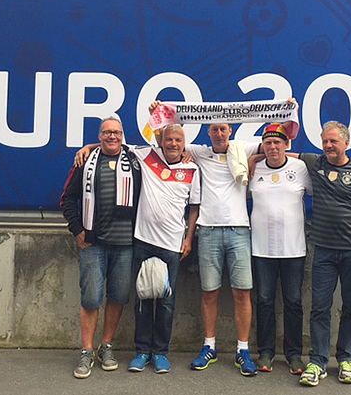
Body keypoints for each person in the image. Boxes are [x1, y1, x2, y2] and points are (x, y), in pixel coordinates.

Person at [149, 101, 261, 376]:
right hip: (207, 231)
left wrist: (287, 110)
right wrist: (157, 113)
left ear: (230, 131)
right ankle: (209, 346)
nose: (219, 134)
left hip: (239, 232)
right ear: (208, 132)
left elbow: (279, 139)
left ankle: (242, 350)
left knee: (242, 293)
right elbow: (162, 142)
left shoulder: (243, 148)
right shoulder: (197, 152)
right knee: (209, 293)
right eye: (214, 130)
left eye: (223, 129)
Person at [297, 121, 351, 387]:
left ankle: (346, 359)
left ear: (347, 143)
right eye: (325, 141)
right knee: (319, 308)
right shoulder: (314, 163)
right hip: (322, 250)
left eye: (333, 141)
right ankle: (318, 361)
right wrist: (252, 159)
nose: (328, 146)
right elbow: (277, 152)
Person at [61, 115, 141, 379]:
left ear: (122, 136)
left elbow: (164, 151)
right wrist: (77, 230)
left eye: (116, 133)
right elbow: (67, 200)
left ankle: (106, 346)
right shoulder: (86, 162)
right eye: (107, 133)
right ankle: (86, 350)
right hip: (93, 244)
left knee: (118, 297)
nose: (112, 137)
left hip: (126, 245)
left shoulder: (136, 162)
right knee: (91, 298)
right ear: (99, 136)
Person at [126, 124, 201, 374]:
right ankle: (141, 351)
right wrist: (88, 147)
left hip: (172, 244)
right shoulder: (148, 156)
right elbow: (114, 144)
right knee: (143, 297)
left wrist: (188, 238)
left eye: (178, 140)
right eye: (168, 139)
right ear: (162, 140)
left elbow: (194, 208)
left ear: (184, 143)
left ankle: (160, 352)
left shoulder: (192, 169)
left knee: (166, 301)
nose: (173, 144)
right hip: (144, 240)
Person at [248, 124, 312, 375]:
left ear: (286, 144)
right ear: (263, 146)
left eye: (278, 143)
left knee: (293, 302)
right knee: (264, 301)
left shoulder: (300, 168)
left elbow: (321, 193)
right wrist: (254, 159)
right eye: (268, 143)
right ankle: (265, 352)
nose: (273, 147)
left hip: (294, 249)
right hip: (261, 249)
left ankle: (294, 354)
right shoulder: (254, 169)